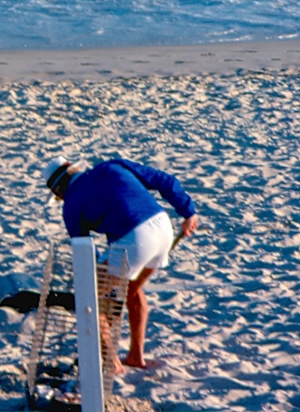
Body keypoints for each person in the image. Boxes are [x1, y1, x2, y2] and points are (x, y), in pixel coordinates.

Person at [42, 155, 199, 373]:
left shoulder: (71, 205)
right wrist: (188, 212)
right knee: (132, 290)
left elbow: (85, 252)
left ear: (58, 191)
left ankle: (111, 362)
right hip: (163, 227)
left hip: (133, 239)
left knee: (89, 297)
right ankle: (136, 356)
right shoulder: (112, 165)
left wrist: (101, 272)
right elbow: (164, 180)